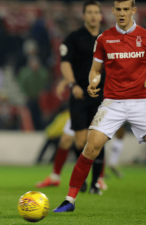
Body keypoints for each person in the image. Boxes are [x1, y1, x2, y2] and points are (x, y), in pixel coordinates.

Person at [54, 0, 146, 212]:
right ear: (113, 11)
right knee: (90, 147)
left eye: (126, 9)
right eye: (118, 10)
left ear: (134, 11)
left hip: (141, 102)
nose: (122, 13)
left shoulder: (144, 36)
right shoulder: (104, 39)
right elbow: (96, 70)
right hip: (112, 103)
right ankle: (70, 200)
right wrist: (93, 83)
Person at [49, 0, 105, 194]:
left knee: (98, 138)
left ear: (100, 15)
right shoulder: (73, 38)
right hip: (80, 94)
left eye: (95, 12)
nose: (92, 15)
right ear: (83, 16)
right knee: (80, 142)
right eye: (89, 12)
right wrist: (72, 83)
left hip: (102, 95)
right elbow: (65, 63)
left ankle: (96, 183)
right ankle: (82, 180)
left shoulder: (108, 38)